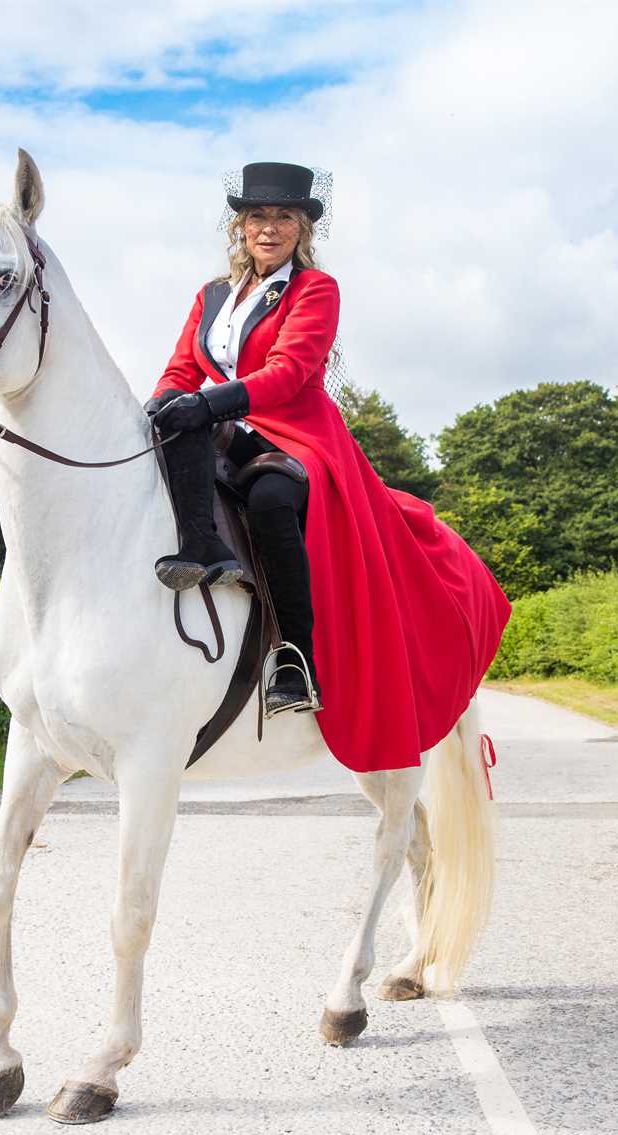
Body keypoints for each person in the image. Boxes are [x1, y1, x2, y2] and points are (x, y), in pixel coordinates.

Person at [146, 163, 512, 770]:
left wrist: (207, 402)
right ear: (240, 224)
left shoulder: (315, 291)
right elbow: (183, 366)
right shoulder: (211, 296)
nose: (269, 228)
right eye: (259, 217)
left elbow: (289, 371)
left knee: (267, 499)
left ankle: (295, 656)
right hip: (226, 427)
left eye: (284, 217)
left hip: (295, 432)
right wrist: (165, 402)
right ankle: (200, 553)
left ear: (302, 227)